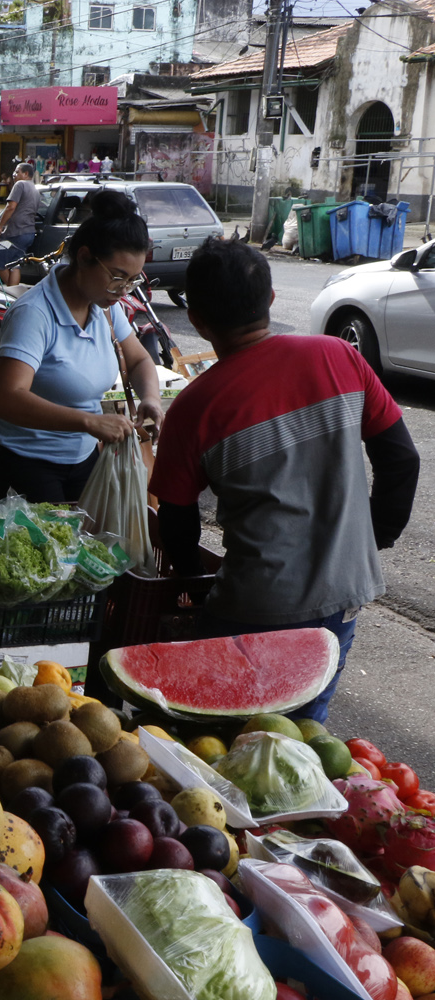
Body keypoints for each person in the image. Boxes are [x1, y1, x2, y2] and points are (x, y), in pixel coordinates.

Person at [150, 237, 419, 723]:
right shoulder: (341, 357)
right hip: (343, 592)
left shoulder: (192, 408)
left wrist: (191, 583)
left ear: (197, 320)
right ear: (271, 300)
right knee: (301, 742)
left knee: (220, 738)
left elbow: (176, 522)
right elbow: (401, 459)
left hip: (251, 604)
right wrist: (369, 539)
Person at [0, 189, 163, 503]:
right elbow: (7, 398)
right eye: (117, 277)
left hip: (81, 460)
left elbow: (140, 361)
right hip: (20, 462)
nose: (123, 290)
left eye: (132, 281)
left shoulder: (105, 307)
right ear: (85, 257)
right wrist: (89, 421)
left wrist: (152, 399)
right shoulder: (35, 313)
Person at [0, 163, 40, 286]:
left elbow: (10, 207)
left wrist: (0, 227)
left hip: (15, 232)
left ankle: (11, 291)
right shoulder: (35, 189)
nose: (14, 175)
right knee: (15, 265)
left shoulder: (20, 184)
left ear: (25, 174)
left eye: (17, 172)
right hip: (28, 232)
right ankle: (14, 293)